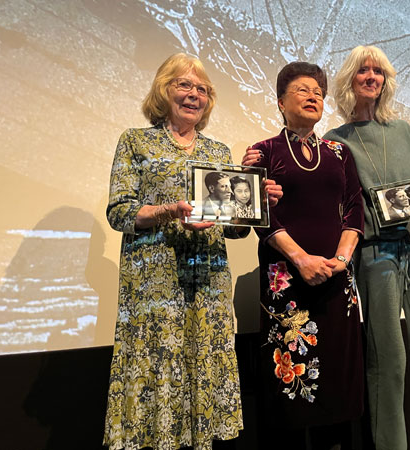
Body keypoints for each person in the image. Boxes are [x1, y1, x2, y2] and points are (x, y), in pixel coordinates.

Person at [103, 53, 281, 450]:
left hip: (209, 286)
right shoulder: (136, 142)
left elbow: (234, 229)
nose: (194, 94)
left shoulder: (218, 152)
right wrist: (169, 211)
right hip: (155, 286)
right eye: (184, 85)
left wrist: (258, 204)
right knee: (157, 373)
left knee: (204, 369)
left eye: (202, 89)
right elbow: (119, 212)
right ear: (164, 90)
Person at [323, 46, 410, 450]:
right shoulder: (335, 141)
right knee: (389, 361)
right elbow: (337, 201)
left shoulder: (403, 131)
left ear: (386, 81)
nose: (371, 77)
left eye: (378, 71)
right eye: (363, 70)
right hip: (376, 254)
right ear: (350, 80)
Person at [244, 62, 365, 449]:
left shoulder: (340, 152)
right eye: (302, 90)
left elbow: (354, 209)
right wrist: (300, 259)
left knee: (337, 378)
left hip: (336, 281)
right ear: (281, 102)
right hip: (287, 282)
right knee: (291, 389)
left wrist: (341, 262)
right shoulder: (263, 152)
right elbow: (261, 216)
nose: (313, 96)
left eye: (318, 92)